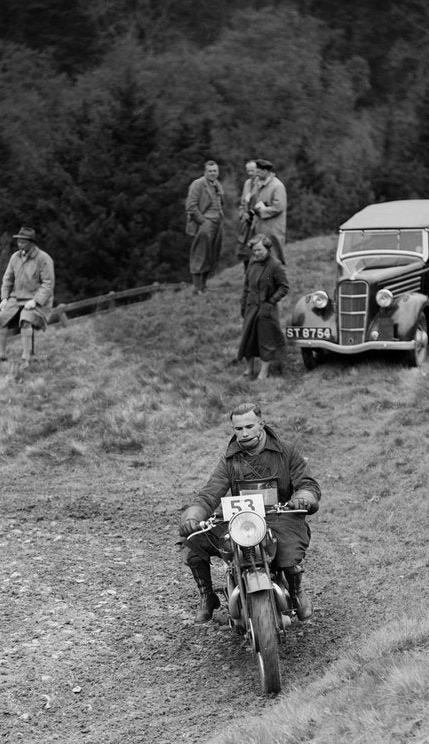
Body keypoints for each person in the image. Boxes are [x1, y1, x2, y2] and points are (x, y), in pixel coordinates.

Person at [177, 402, 321, 623]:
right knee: (194, 543)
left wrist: (302, 498)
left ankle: (295, 592)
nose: (243, 433)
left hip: (280, 516)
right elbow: (210, 493)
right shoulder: (229, 460)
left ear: (261, 424)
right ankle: (207, 596)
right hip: (242, 519)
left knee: (289, 554)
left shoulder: (286, 451)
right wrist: (192, 517)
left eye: (249, 426)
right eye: (238, 429)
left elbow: (308, 485)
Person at [0, 226, 55, 370]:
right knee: (1, 320)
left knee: (26, 320)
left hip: (37, 301)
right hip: (16, 298)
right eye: (18, 242)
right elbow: (7, 279)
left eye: (23, 242)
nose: (20, 245)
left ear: (32, 242)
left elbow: (48, 284)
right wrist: (4, 298)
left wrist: (35, 300)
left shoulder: (43, 259)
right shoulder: (15, 257)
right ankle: (1, 356)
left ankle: (26, 358)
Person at [237, 234, 288, 380]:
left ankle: (263, 373)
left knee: (266, 340)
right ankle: (249, 370)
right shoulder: (252, 263)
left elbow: (284, 287)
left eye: (259, 250)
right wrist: (243, 303)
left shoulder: (275, 265)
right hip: (250, 306)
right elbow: (247, 285)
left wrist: (271, 301)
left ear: (267, 248)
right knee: (248, 338)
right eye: (254, 251)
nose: (256, 254)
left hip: (266, 307)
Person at [184, 160, 225, 294]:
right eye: (210, 171)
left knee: (211, 254)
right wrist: (202, 221)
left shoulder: (217, 185)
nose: (213, 173)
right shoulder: (198, 184)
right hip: (205, 223)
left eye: (215, 171)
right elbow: (190, 205)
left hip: (217, 223)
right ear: (205, 172)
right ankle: (197, 288)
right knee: (200, 254)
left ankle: (204, 286)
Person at [249, 159, 287, 265]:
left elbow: (279, 207)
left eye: (259, 172)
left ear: (266, 171)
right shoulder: (258, 183)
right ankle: (263, 280)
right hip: (260, 227)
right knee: (261, 257)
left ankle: (274, 280)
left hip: (273, 229)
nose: (256, 174)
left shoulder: (277, 186)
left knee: (274, 257)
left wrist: (261, 211)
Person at [236, 160, 259, 268]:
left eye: (252, 170)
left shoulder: (261, 183)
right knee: (245, 250)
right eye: (248, 171)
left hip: (256, 222)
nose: (250, 173)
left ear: (257, 170)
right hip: (245, 224)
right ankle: (247, 275)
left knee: (255, 250)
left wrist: (252, 214)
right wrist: (241, 213)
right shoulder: (247, 183)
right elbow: (243, 202)